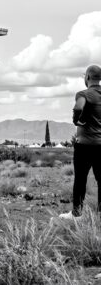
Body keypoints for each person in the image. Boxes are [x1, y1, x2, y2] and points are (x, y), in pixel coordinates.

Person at [60, 65, 101, 220]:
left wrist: (76, 120)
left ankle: (77, 213)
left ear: (88, 77)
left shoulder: (83, 93)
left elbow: (78, 107)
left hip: (84, 145)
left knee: (80, 179)